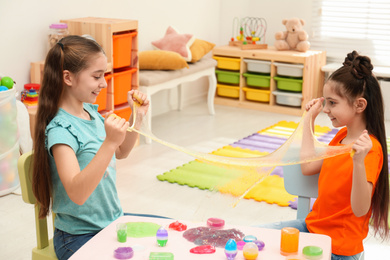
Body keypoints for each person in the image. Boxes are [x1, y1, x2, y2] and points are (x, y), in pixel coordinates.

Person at [31, 35, 156, 260]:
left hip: (111, 223)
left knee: (168, 235)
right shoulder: (60, 131)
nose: (104, 83)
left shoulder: (92, 114)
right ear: (68, 78)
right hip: (77, 237)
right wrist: (108, 142)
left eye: (104, 75)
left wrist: (137, 116)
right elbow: (77, 194)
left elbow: (121, 151)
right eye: (97, 76)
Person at [262, 51, 389, 260]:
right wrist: (308, 121)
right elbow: (308, 167)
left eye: (332, 103)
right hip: (312, 230)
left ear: (359, 105)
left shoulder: (370, 150)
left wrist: (358, 162)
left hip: (338, 249)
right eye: (326, 102)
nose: (326, 109)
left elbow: (360, 210)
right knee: (253, 238)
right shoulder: (342, 136)